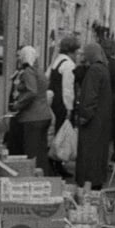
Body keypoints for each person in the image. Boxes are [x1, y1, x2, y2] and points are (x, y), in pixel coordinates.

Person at [74, 41, 114, 190]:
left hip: (92, 122)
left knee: (88, 155)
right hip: (102, 120)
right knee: (98, 155)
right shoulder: (103, 68)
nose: (83, 57)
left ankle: (87, 188)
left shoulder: (94, 70)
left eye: (85, 54)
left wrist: (84, 115)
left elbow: (90, 97)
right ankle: (95, 183)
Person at [8, 45, 52, 174]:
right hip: (44, 116)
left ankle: (34, 178)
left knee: (32, 153)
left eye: (20, 56)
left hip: (32, 117)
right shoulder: (39, 71)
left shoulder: (28, 72)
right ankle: (45, 178)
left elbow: (32, 92)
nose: (18, 59)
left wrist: (18, 105)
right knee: (41, 153)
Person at [47, 36, 80, 178]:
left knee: (55, 134)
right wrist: (69, 108)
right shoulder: (69, 65)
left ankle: (54, 164)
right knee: (62, 135)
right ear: (72, 51)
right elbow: (68, 88)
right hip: (62, 104)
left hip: (54, 101)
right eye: (77, 51)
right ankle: (58, 163)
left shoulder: (56, 61)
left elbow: (47, 77)